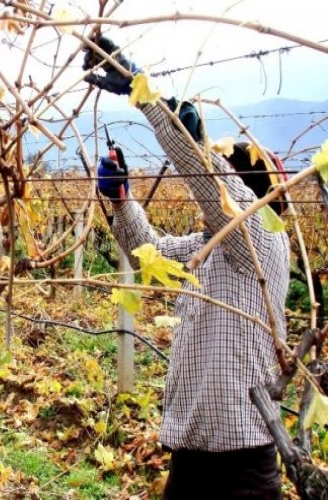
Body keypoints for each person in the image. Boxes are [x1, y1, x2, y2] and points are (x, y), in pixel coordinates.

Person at [83, 37, 289, 499]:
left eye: (226, 179)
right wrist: (121, 203)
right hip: (190, 461)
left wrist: (148, 96)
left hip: (243, 472)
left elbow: (205, 177)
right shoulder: (209, 248)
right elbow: (150, 250)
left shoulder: (261, 240)